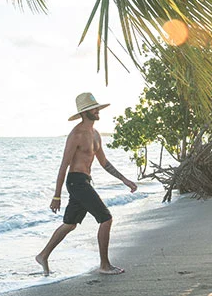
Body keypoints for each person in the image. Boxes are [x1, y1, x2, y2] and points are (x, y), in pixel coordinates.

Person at [35, 92, 137, 276]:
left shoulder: (96, 134)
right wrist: (56, 196)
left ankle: (43, 255)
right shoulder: (76, 135)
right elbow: (64, 166)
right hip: (76, 182)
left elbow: (104, 163)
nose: (97, 110)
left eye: (97, 107)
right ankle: (105, 265)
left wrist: (124, 180)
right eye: (93, 108)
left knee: (70, 224)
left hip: (84, 181)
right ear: (84, 112)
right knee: (106, 218)